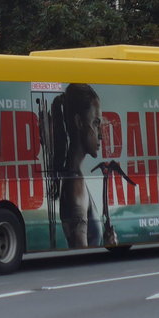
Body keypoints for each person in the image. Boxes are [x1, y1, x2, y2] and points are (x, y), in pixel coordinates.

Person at [51, 83, 104, 248]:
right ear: (79, 122)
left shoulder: (71, 175)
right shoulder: (75, 183)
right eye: (95, 123)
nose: (101, 134)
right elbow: (80, 247)